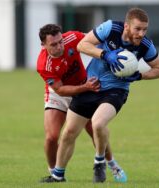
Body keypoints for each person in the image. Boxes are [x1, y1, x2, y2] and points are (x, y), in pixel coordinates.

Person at [45, 8, 159, 183]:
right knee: (69, 132)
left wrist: (139, 75)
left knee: (98, 123)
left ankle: (99, 162)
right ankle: (58, 175)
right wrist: (105, 54)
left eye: (144, 29)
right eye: (137, 29)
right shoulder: (110, 29)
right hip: (91, 85)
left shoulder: (145, 45)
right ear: (126, 26)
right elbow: (82, 45)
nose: (141, 33)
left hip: (116, 90)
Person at [36, 24, 127, 183]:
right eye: (53, 44)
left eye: (60, 41)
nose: (59, 46)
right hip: (59, 93)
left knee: (96, 129)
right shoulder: (44, 64)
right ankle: (54, 173)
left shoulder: (71, 37)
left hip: (85, 88)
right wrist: (84, 87)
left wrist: (113, 55)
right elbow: (61, 90)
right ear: (43, 45)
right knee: (51, 137)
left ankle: (113, 165)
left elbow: (94, 40)